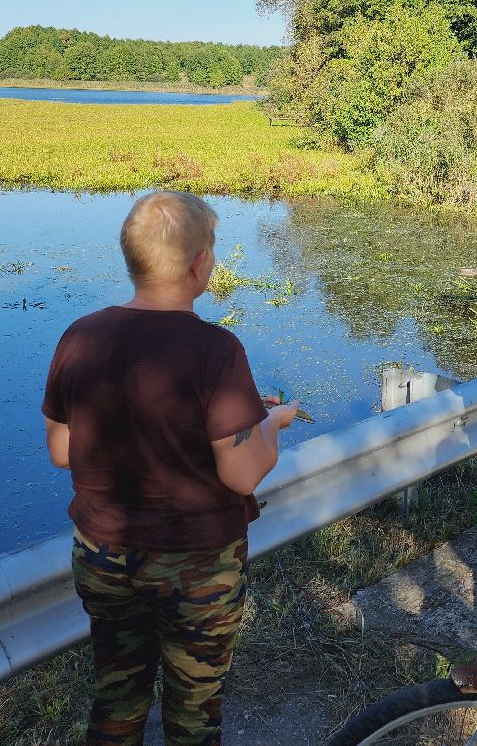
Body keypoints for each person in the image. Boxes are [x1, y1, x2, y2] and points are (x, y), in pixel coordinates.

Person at [41, 190, 298, 746]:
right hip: (197, 565)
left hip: (103, 555)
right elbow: (241, 475)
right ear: (200, 264)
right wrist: (272, 425)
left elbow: (61, 451)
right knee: (194, 706)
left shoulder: (80, 337)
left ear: (130, 258)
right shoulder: (216, 350)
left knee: (117, 693)